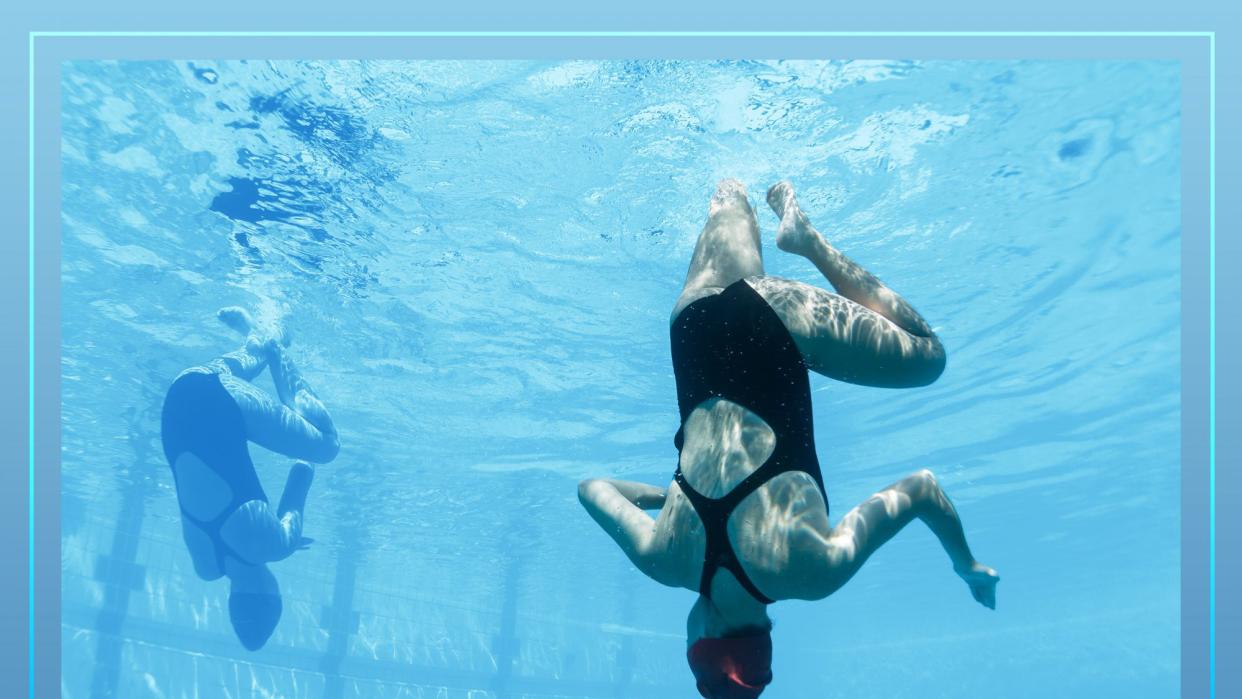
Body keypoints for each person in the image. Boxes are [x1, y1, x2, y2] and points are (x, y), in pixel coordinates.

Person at [578, 180, 999, 698]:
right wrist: (669, 500)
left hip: (769, 318)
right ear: (703, 636)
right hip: (693, 330)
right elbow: (593, 489)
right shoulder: (662, 557)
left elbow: (923, 490)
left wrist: (968, 565)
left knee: (928, 356)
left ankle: (807, 241)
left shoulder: (813, 573)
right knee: (730, 190)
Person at [161, 307, 340, 651]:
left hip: (219, 400)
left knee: (326, 445)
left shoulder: (275, 546)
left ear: (274, 595)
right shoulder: (206, 568)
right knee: (230, 373)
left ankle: (275, 347)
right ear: (232, 600)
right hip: (182, 393)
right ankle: (255, 337)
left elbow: (302, 469)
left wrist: (287, 536)